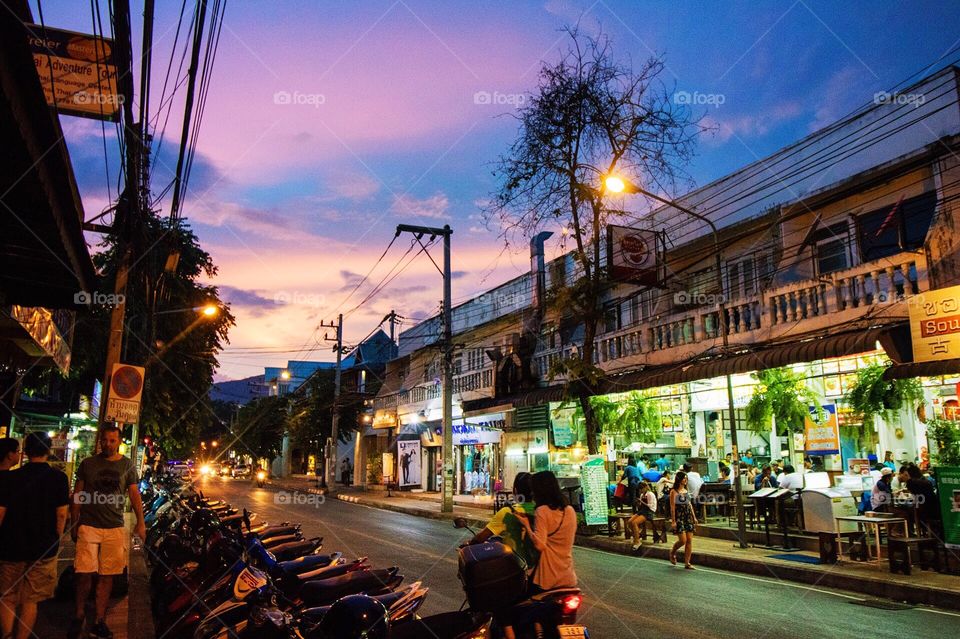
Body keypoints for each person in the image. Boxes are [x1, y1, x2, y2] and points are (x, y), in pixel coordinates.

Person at [69, 425, 146, 639]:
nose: (109, 444)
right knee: (84, 573)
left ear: (119, 441)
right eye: (105, 440)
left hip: (114, 527)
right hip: (88, 525)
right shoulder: (87, 464)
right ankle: (79, 613)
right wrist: (74, 523)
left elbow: (134, 494)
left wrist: (141, 523)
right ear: (99, 441)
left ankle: (99, 620)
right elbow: (78, 494)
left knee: (107, 575)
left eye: (113, 440)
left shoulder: (127, 465)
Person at [0, 433, 69, 639]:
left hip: (11, 545)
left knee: (8, 597)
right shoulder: (59, 478)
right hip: (43, 547)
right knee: (31, 600)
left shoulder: (10, 478)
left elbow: (1, 513)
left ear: (26, 452)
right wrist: (56, 539)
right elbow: (62, 514)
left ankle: (6, 636)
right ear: (48, 450)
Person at [512, 471, 577, 639]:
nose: (532, 493)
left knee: (516, 611)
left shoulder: (542, 511)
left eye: (534, 489)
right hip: (568, 576)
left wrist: (526, 524)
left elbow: (540, 545)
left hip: (549, 578)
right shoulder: (570, 510)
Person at [468, 472, 537, 567]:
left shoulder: (507, 512)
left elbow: (481, 537)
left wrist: (468, 544)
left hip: (514, 567)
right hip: (537, 568)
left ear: (515, 491)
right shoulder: (541, 511)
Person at [669, 471, 698, 569]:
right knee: (683, 540)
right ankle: (672, 552)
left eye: (686, 478)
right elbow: (672, 508)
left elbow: (689, 505)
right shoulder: (674, 491)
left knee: (689, 540)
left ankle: (687, 562)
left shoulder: (685, 490)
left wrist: (694, 517)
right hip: (679, 517)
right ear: (679, 479)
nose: (685, 480)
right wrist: (673, 521)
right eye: (684, 478)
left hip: (687, 516)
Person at [628, 481, 658, 551]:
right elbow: (641, 506)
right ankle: (636, 535)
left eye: (641, 489)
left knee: (634, 523)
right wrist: (638, 503)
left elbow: (650, 505)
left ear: (645, 487)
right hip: (642, 511)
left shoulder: (650, 494)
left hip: (649, 511)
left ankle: (637, 541)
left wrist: (642, 502)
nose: (640, 490)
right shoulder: (642, 495)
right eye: (639, 489)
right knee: (630, 522)